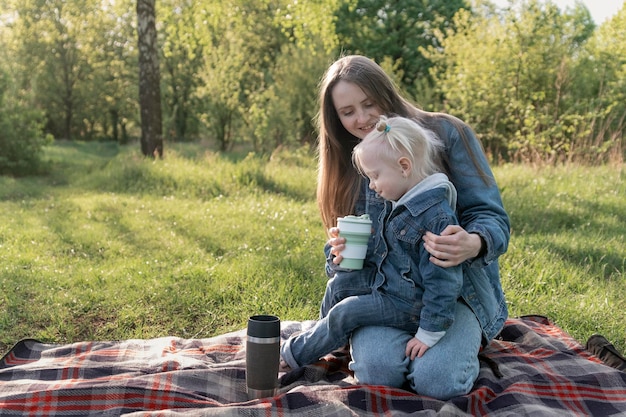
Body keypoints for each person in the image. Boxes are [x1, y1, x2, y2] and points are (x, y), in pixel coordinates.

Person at [315, 55, 510, 400]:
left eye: (369, 104)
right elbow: (350, 253)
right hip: (386, 293)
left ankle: (453, 349)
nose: (361, 119)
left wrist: (475, 242)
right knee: (378, 375)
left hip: (454, 294)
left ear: (385, 94)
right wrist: (339, 254)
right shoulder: (354, 158)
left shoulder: (447, 132)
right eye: (347, 112)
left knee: (438, 381)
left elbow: (491, 216)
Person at [281, 115, 463, 368]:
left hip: (410, 304)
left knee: (347, 312)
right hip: (388, 284)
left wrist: (428, 333)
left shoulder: (435, 217)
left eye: (375, 176)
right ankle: (324, 338)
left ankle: (292, 356)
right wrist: (342, 251)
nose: (372, 186)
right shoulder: (399, 198)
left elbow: (444, 283)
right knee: (339, 285)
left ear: (404, 166)